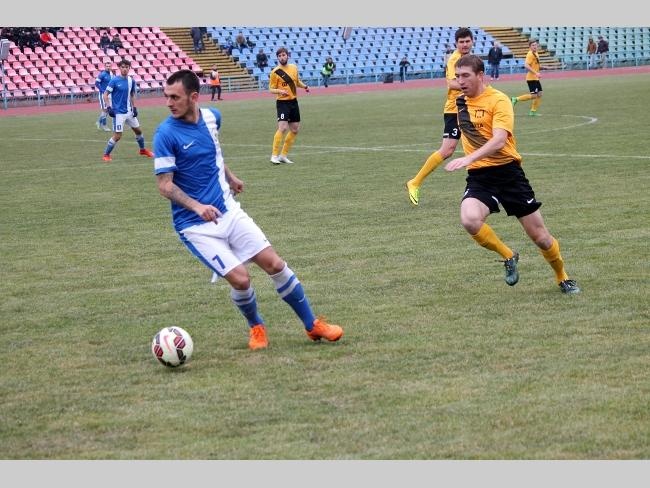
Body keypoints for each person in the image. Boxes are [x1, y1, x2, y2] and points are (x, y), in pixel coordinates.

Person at [152, 69, 343, 350]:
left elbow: (214, 153)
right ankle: (257, 327)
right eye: (166, 96)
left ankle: (312, 324)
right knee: (241, 280)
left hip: (228, 210)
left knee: (275, 264)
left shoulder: (212, 117)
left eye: (175, 97)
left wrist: (230, 177)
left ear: (193, 97)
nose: (168, 103)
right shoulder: (165, 134)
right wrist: (197, 206)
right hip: (195, 226)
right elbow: (165, 186)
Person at [443, 54, 580, 295]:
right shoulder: (459, 103)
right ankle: (508, 256)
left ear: (480, 76)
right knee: (469, 219)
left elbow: (499, 140)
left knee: (541, 237)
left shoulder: (499, 100)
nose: (460, 81)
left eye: (465, 76)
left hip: (509, 174)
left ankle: (563, 276)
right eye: (457, 76)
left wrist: (469, 158)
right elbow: (452, 136)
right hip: (480, 177)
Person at [405, 27, 474, 206]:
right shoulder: (455, 59)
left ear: (472, 41)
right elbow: (452, 83)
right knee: (447, 150)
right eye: (461, 42)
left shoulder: (472, 60)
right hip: (455, 109)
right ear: (456, 43)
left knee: (478, 145)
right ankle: (415, 182)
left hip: (470, 107)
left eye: (467, 41)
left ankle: (483, 189)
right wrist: (474, 84)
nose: (465, 44)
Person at [101, 58, 155, 162]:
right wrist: (109, 107)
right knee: (117, 136)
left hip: (129, 112)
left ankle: (142, 150)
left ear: (129, 68)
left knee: (138, 131)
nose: (125, 69)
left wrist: (134, 107)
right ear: (119, 68)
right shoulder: (114, 81)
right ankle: (106, 155)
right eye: (122, 67)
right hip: (119, 113)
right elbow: (105, 94)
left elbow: (132, 94)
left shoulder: (131, 81)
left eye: (126, 67)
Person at [268, 47, 310, 165]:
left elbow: (296, 82)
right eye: (279, 56)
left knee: (295, 130)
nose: (282, 57)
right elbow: (271, 89)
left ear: (287, 56)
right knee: (282, 128)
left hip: (293, 102)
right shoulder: (275, 72)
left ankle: (283, 155)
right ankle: (274, 156)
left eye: (283, 55)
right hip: (282, 103)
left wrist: (305, 86)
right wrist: (280, 91)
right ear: (277, 58)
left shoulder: (294, 68)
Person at [510, 39, 544, 116]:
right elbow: (526, 65)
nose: (535, 46)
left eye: (535, 45)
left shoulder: (536, 53)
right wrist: (536, 73)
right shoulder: (530, 54)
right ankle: (516, 99)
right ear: (530, 47)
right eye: (533, 45)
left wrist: (544, 68)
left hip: (535, 78)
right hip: (531, 78)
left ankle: (533, 111)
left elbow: (535, 65)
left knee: (540, 94)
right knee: (534, 96)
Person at [94, 60, 115, 132]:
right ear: (105, 67)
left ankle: (99, 121)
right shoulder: (102, 74)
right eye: (107, 66)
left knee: (108, 109)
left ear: (111, 67)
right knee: (105, 110)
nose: (108, 67)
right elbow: (96, 83)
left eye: (109, 66)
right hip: (103, 94)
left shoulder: (112, 74)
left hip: (110, 94)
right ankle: (104, 125)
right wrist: (102, 91)